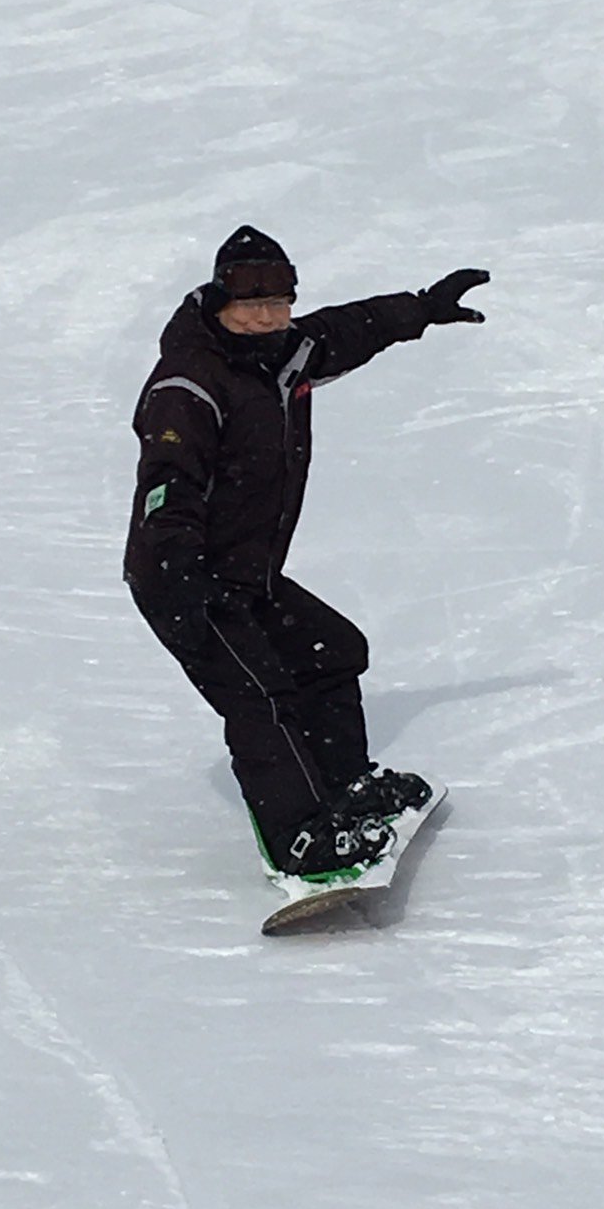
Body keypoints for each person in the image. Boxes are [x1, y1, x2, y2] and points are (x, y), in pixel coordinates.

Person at [123, 226, 489, 881]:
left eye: (278, 301)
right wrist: (178, 559)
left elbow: (350, 328)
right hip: (184, 575)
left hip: (245, 571)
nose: (264, 316)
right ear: (219, 299)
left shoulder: (285, 353)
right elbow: (168, 479)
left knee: (331, 652)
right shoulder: (190, 382)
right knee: (261, 696)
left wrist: (422, 308)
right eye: (248, 302)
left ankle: (344, 788)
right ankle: (300, 843)